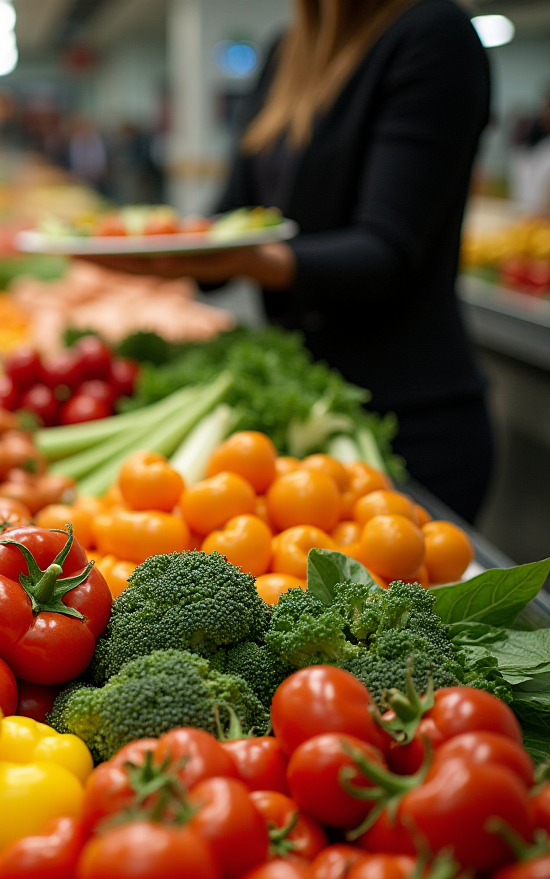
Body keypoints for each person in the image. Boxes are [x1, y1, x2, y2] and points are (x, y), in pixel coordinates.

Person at [87, 0, 493, 522]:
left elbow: (387, 252)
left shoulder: (434, 33)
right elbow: (230, 216)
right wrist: (157, 249)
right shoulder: (286, 52)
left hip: (410, 416)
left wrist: (247, 260)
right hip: (304, 408)